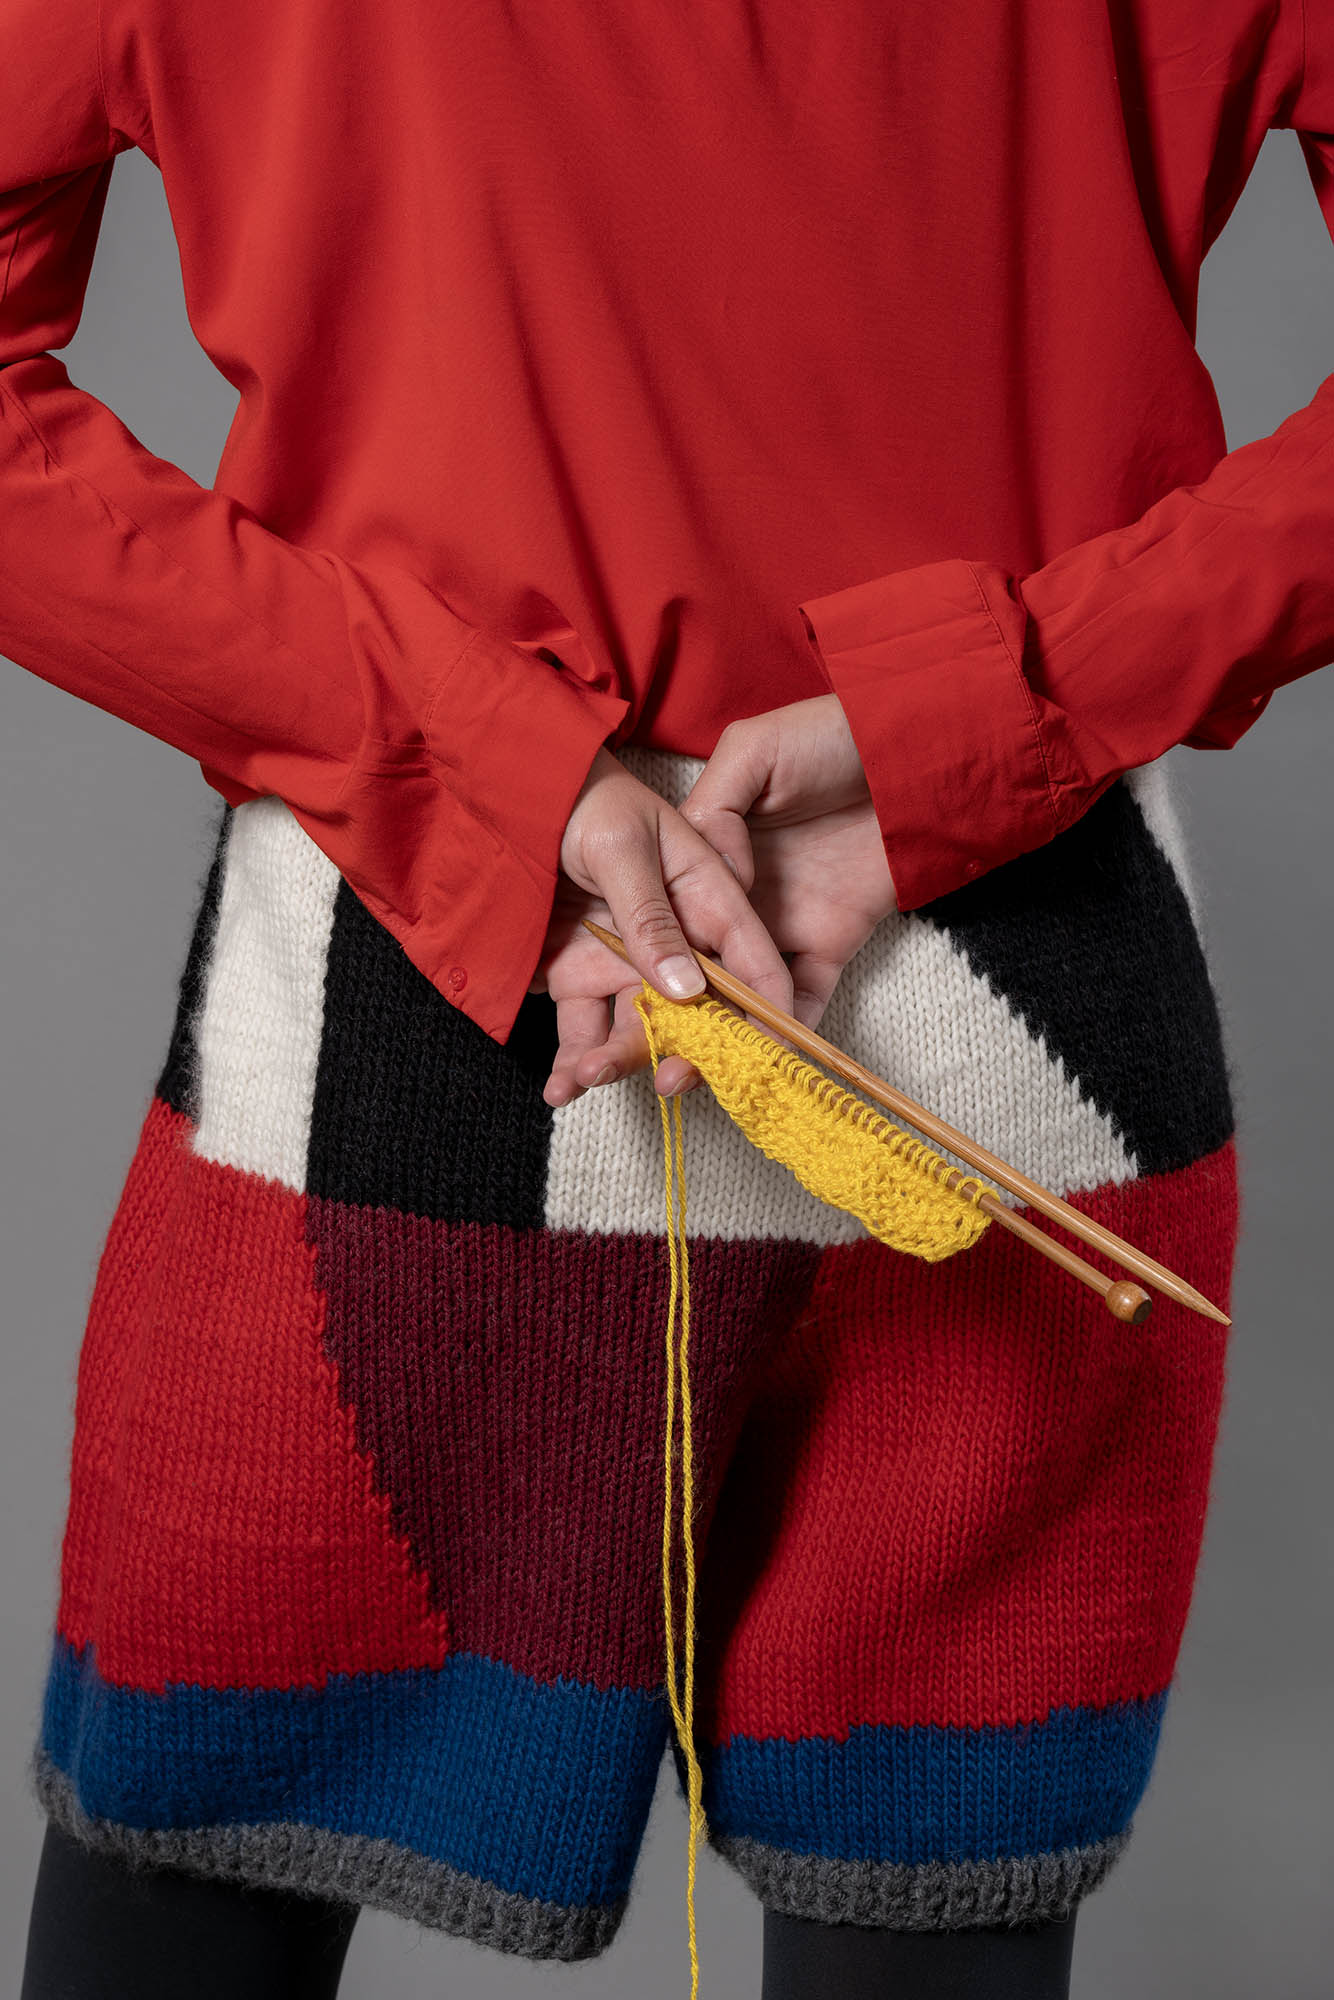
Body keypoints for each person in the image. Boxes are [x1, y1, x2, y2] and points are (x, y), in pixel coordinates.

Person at [3, 0, 1331, 1994]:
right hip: (997, 982)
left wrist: (459, 749)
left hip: (428, 980)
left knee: (191, 1864)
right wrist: (995, 708)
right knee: (932, 1901)